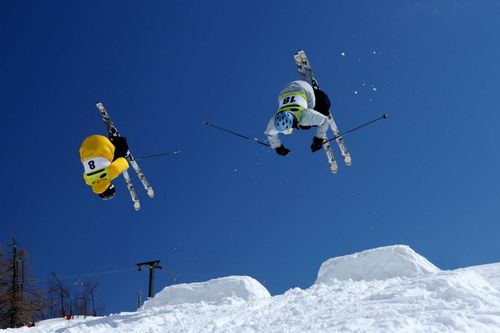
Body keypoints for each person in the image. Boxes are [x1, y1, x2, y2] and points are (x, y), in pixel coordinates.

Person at [265, 80, 333, 156]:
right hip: (286, 89)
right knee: (304, 126)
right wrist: (278, 147)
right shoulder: (275, 121)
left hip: (305, 88)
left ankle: (316, 92)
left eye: (289, 130)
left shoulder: (304, 116)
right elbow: (270, 133)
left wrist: (318, 139)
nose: (290, 131)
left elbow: (324, 121)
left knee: (321, 110)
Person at [79, 135, 129, 200]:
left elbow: (123, 162)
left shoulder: (110, 174)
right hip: (85, 146)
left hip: (102, 143)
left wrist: (126, 159)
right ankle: (112, 141)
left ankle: (116, 139)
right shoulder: (88, 181)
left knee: (122, 151)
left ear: (109, 187)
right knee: (107, 161)